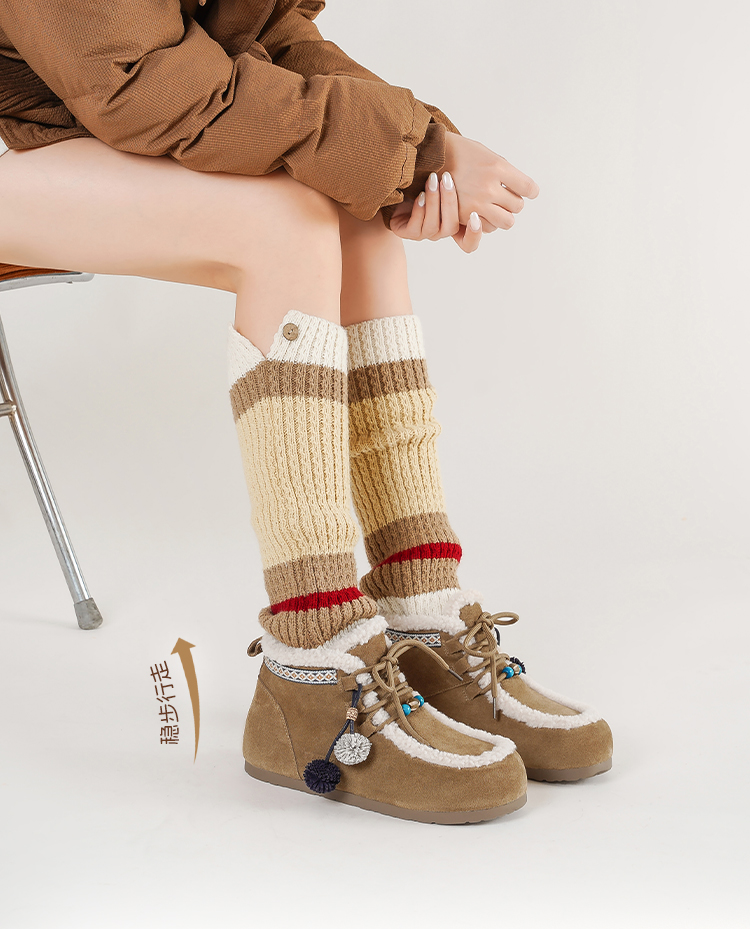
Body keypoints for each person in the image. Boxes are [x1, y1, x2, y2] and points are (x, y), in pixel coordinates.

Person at [0, 0, 612, 823]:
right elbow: (143, 84)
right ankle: (311, 659)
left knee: (357, 207)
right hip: (68, 120)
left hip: (84, 117)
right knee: (285, 222)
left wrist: (423, 155)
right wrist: (414, 151)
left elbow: (258, 34)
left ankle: (419, 609)